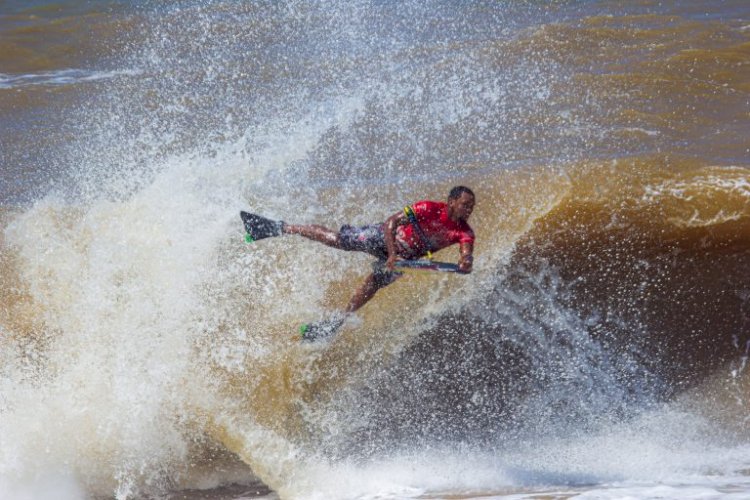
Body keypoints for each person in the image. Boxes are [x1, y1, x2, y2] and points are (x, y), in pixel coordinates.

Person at [241, 186, 476, 340]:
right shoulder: (428, 208)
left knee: (374, 283)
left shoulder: (464, 232)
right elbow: (391, 222)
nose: (468, 210)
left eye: (471, 207)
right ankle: (279, 227)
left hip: (405, 260)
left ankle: (332, 325)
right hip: (385, 238)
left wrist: (466, 262)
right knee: (338, 240)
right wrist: (392, 253)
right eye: (465, 204)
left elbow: (466, 252)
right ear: (451, 201)